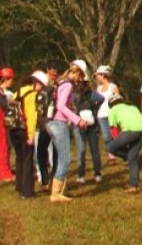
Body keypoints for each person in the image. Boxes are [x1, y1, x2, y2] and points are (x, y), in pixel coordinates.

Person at [46, 60, 89, 202]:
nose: (80, 79)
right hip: (59, 123)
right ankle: (56, 193)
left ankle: (58, 189)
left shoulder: (60, 82)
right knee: (65, 158)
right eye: (80, 76)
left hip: (50, 123)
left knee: (59, 157)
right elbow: (61, 106)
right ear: (76, 72)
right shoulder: (68, 85)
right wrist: (78, 120)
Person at [13, 71, 49, 199]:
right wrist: (31, 136)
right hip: (24, 130)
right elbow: (32, 117)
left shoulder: (18, 91)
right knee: (28, 159)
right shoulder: (32, 95)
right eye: (42, 86)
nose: (42, 89)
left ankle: (19, 186)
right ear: (36, 83)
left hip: (13, 129)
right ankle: (27, 192)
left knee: (19, 158)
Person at [105, 94, 142, 193]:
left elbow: (114, 130)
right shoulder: (132, 106)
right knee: (133, 157)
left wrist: (121, 143)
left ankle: (127, 157)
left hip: (130, 131)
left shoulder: (113, 110)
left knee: (110, 147)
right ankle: (133, 186)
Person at [73, 69, 105, 184]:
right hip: (92, 125)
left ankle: (81, 175)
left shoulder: (74, 95)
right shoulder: (92, 94)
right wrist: (95, 108)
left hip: (78, 125)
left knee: (81, 151)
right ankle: (98, 174)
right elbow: (102, 99)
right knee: (94, 150)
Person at [35, 63, 59, 191]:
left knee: (42, 153)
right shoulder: (57, 89)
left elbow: (39, 111)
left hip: (46, 126)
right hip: (55, 124)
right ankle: (52, 179)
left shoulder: (42, 93)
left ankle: (47, 181)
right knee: (53, 153)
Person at [93, 65, 120, 164]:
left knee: (116, 135)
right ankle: (111, 156)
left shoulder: (113, 87)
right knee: (106, 136)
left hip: (112, 114)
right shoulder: (99, 88)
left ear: (103, 75)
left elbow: (118, 100)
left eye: (98, 75)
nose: (97, 77)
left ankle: (122, 153)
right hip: (101, 115)